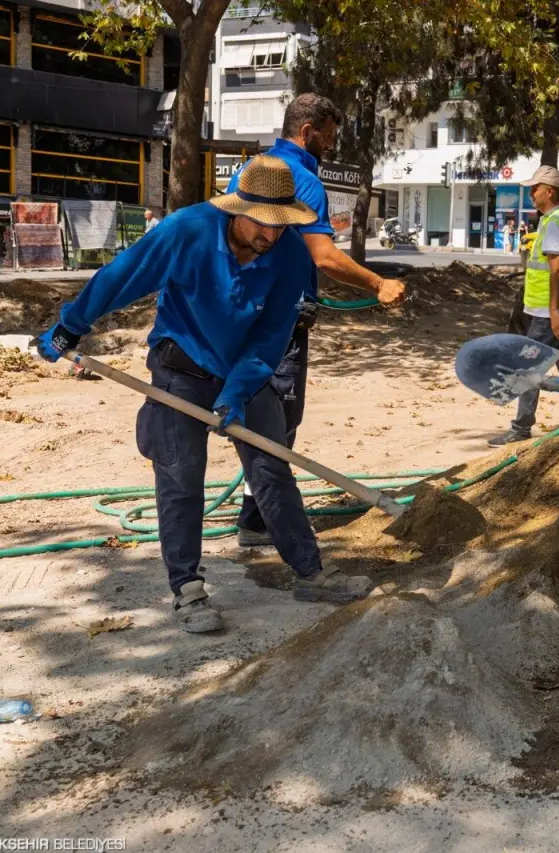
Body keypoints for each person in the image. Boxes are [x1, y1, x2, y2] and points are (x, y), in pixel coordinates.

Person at [34, 155, 377, 634]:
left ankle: (311, 572)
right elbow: (123, 276)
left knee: (271, 465)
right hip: (181, 366)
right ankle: (188, 591)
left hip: (244, 370)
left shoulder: (292, 256)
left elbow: (271, 336)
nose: (270, 236)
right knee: (181, 476)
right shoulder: (187, 231)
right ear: (237, 209)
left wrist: (237, 392)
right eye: (262, 224)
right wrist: (71, 325)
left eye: (282, 226)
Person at [226, 94, 407, 549]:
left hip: (241, 311)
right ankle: (259, 520)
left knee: (258, 412)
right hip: (280, 319)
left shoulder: (250, 171)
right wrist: (377, 284)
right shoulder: (303, 181)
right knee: (280, 416)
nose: (332, 143)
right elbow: (323, 255)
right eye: (330, 134)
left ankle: (255, 511)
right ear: (307, 132)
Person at [488, 165, 559, 447]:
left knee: (527, 367)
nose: (532, 193)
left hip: (553, 314)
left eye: (535, 188)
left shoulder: (555, 223)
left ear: (549, 191)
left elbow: (557, 270)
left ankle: (521, 428)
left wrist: (552, 312)